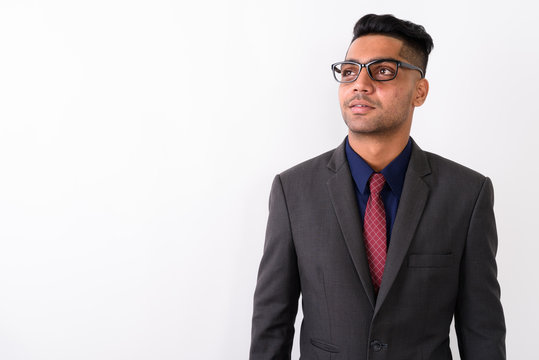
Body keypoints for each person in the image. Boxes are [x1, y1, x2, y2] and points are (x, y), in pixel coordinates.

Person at [249, 13, 506, 360]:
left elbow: (482, 332)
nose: (360, 84)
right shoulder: (292, 191)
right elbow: (271, 325)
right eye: (349, 71)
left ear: (420, 91)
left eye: (382, 71)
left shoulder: (466, 195)